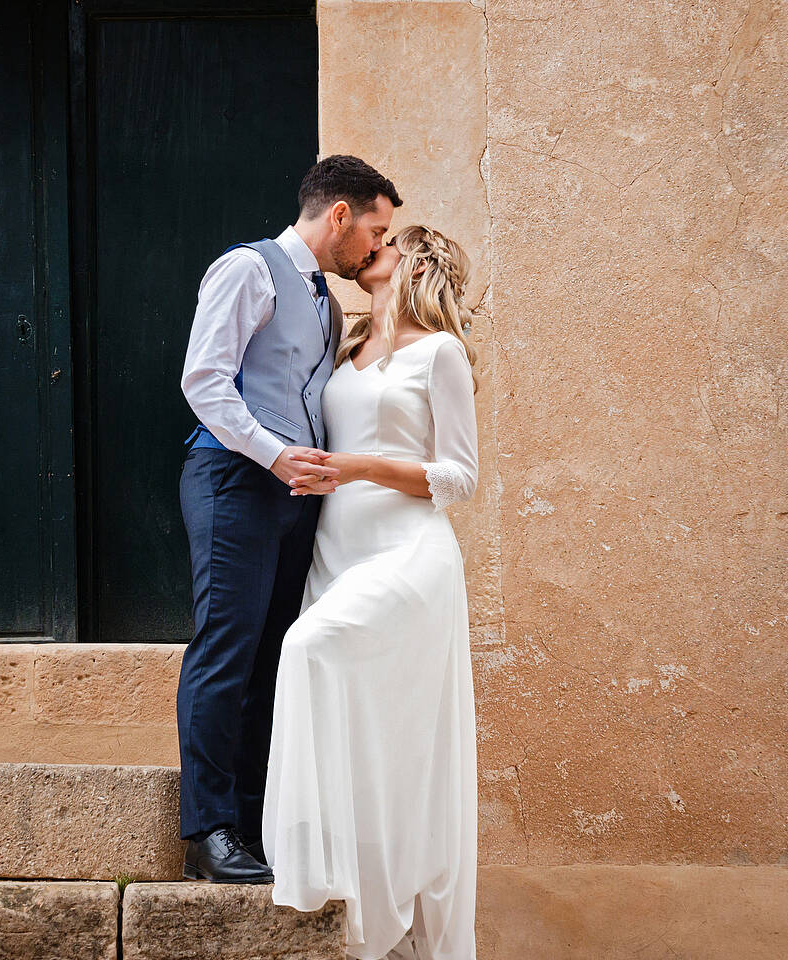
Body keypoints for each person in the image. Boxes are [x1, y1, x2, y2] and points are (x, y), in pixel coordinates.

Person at [176, 155, 402, 883]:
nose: (374, 246)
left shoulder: (328, 301)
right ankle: (208, 831)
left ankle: (251, 823)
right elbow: (203, 380)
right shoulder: (246, 269)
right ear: (339, 216)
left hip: (294, 497)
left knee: (274, 658)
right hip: (233, 479)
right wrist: (275, 457)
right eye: (375, 229)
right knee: (226, 648)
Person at [261, 224, 481, 960]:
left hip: (408, 553)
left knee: (309, 647)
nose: (368, 252)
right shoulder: (346, 347)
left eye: (386, 245)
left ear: (415, 261)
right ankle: (365, 909)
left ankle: (308, 863)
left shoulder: (440, 352)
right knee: (374, 732)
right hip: (336, 552)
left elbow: (459, 478)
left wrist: (358, 467)